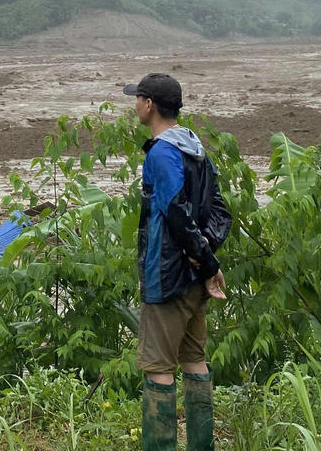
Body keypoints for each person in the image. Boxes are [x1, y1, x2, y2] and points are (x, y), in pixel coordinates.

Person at [126, 72, 232, 451]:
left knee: (158, 368)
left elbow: (173, 211)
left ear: (150, 104)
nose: (134, 105)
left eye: (137, 98)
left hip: (166, 276)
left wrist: (200, 258)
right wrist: (206, 260)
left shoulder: (161, 152)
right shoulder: (195, 147)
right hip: (194, 279)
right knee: (194, 360)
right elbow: (220, 211)